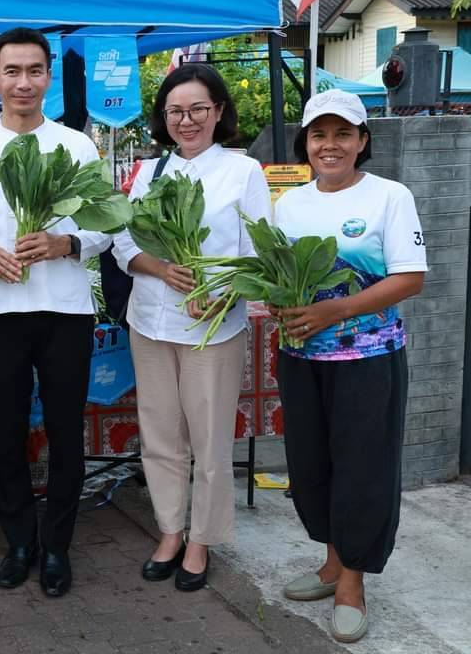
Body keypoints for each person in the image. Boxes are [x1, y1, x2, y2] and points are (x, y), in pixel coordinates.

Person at [0, 28, 110, 598]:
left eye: (35, 71)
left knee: (65, 432)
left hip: (65, 310)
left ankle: (57, 545)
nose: (24, 82)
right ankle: (19, 541)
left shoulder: (77, 146)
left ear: (48, 79)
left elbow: (107, 224)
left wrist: (68, 244)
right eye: (12, 72)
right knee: (8, 433)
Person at [273, 90, 426, 644]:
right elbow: (278, 277)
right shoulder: (289, 206)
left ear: (363, 141)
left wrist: (335, 309)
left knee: (363, 468)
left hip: (367, 359)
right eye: (319, 135)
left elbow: (410, 277)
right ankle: (332, 563)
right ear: (306, 144)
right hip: (301, 358)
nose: (329, 145)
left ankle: (352, 582)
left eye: (342, 134)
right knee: (312, 465)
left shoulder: (390, 196)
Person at [112, 63, 271, 592]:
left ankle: (202, 540)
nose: (187, 120)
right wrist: (159, 268)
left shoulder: (243, 173)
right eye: (176, 111)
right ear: (163, 117)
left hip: (212, 330)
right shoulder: (149, 173)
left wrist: (223, 294)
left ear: (219, 112)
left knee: (208, 441)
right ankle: (169, 531)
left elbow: (259, 253)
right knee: (159, 437)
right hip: (150, 321)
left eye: (198, 109)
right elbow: (122, 244)